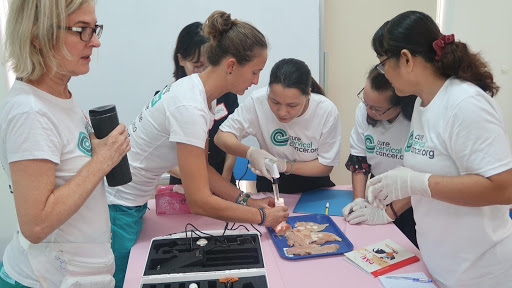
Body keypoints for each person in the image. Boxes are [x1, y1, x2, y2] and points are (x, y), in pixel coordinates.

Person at [106, 11, 288, 287]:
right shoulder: (190, 106)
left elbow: (201, 168)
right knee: (119, 281)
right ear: (230, 65)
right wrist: (262, 216)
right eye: (254, 71)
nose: (256, 81)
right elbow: (199, 200)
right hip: (118, 206)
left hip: (129, 201)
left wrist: (248, 201)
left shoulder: (199, 95)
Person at [366, 11, 512, 288]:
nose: (383, 74)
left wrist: (417, 182)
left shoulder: (464, 104)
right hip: (442, 265)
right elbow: (432, 176)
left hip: (481, 273)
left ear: (407, 59)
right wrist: (389, 209)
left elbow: (504, 188)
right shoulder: (424, 104)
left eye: (384, 64)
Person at [0, 1, 130, 287]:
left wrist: (98, 152)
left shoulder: (60, 96)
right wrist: (101, 161)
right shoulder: (29, 111)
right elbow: (35, 225)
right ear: (37, 35)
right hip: (43, 280)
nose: (95, 42)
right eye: (82, 30)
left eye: (94, 29)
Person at [215, 58, 341, 194]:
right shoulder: (257, 102)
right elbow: (221, 137)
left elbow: (325, 166)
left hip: (314, 185)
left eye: (292, 105)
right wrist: (250, 152)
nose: (282, 112)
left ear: (308, 94)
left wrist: (283, 166)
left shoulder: (326, 111)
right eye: (274, 102)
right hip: (270, 182)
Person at [342, 67, 418, 247]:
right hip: (377, 191)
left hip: (412, 195)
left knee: (406, 249)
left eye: (377, 109)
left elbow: (421, 179)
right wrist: (359, 200)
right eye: (365, 103)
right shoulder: (365, 110)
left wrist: (387, 214)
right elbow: (359, 160)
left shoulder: (416, 118)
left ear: (400, 105)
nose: (368, 111)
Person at [166, 21, 239, 186]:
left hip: (223, 179)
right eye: (197, 66)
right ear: (181, 60)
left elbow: (233, 136)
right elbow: (162, 157)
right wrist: (200, 180)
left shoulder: (226, 94)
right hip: (185, 183)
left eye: (209, 67)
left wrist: (225, 178)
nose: (203, 73)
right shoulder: (170, 98)